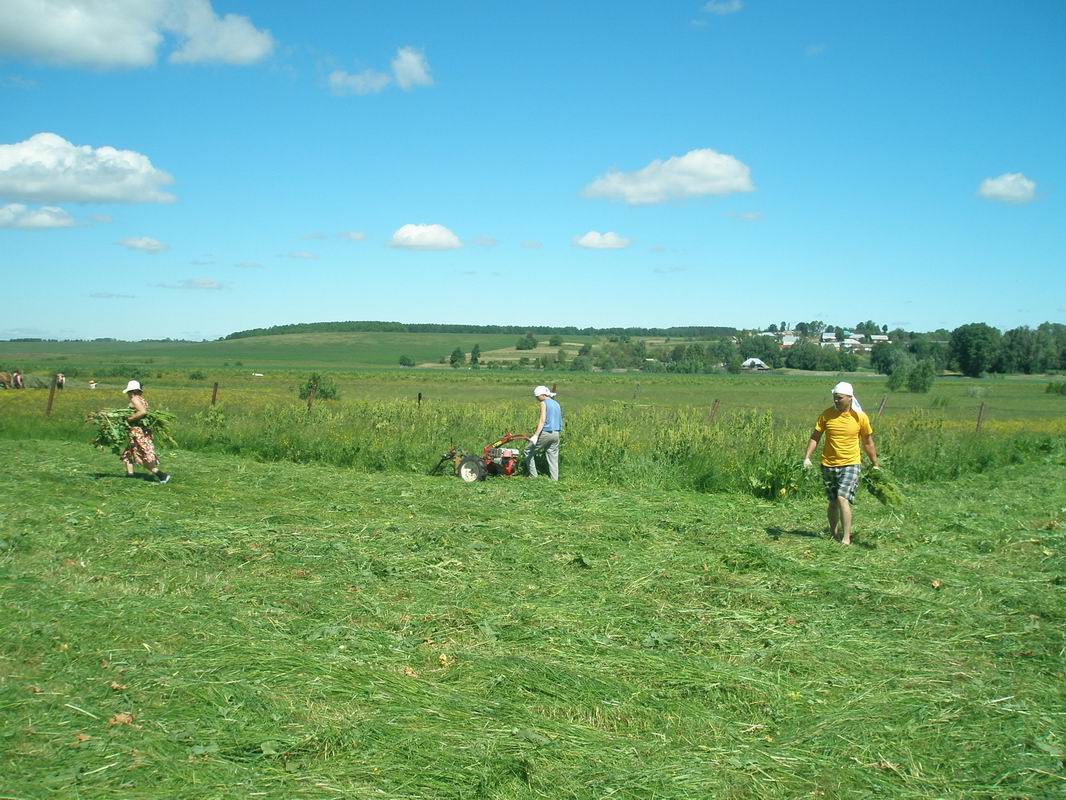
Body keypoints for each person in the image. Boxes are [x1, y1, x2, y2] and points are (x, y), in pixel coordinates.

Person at [803, 381, 879, 545]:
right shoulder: (826, 415)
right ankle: (834, 533)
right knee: (833, 501)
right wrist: (807, 457)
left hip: (851, 464)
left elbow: (867, 442)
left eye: (839, 398)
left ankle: (846, 539)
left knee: (842, 498)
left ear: (850, 398)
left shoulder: (860, 417)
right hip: (828, 464)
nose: (836, 401)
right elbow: (815, 437)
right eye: (834, 398)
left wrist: (875, 463)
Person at [121, 380, 170, 483]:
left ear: (131, 391)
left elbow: (143, 412)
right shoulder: (141, 399)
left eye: (129, 392)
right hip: (141, 431)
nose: (128, 394)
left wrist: (129, 419)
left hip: (138, 432)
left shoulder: (134, 399)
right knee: (129, 452)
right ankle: (130, 476)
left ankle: (161, 475)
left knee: (139, 456)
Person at [525, 385, 562, 480]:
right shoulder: (556, 403)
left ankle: (533, 476)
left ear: (542, 395)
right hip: (556, 433)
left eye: (537, 397)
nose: (537, 399)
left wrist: (536, 435)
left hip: (546, 432)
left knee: (528, 451)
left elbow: (542, 420)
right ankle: (555, 480)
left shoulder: (543, 403)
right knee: (552, 456)